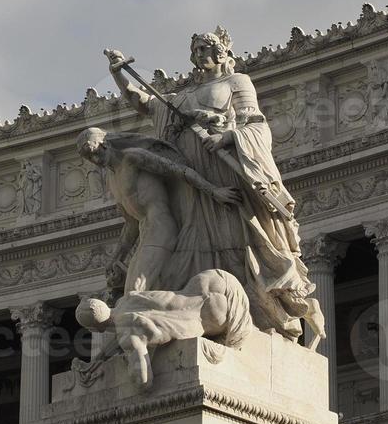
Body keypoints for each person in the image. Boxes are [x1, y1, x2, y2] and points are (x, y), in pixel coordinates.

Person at [104, 30, 320, 342]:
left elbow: (255, 124)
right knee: (194, 240)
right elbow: (147, 104)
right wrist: (119, 74)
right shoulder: (181, 95)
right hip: (192, 181)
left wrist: (228, 137)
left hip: (224, 168)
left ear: (220, 52)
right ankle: (203, 310)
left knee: (240, 236)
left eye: (205, 48)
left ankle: (259, 313)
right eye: (195, 49)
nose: (199, 54)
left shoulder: (237, 82)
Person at [77, 127, 240, 293]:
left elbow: (179, 170)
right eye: (89, 157)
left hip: (161, 228)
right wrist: (117, 257)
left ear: (105, 144)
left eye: (94, 152)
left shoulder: (132, 157)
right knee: (131, 293)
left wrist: (213, 191)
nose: (94, 159)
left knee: (136, 290)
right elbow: (132, 223)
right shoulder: (112, 180)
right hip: (146, 233)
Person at [76, 269, 254, 391]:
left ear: (96, 329)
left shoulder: (127, 336)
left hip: (215, 318)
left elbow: (144, 382)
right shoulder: (127, 300)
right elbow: (127, 322)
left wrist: (127, 366)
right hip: (217, 280)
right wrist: (100, 358)